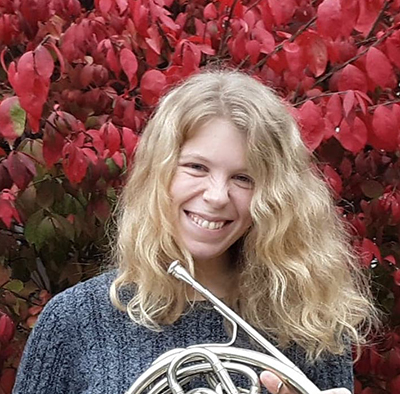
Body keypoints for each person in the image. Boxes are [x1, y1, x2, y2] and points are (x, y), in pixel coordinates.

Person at [12, 70, 378, 394]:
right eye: (197, 167)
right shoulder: (75, 320)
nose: (217, 196)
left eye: (243, 178)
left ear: (276, 195)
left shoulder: (311, 325)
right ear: (158, 172)